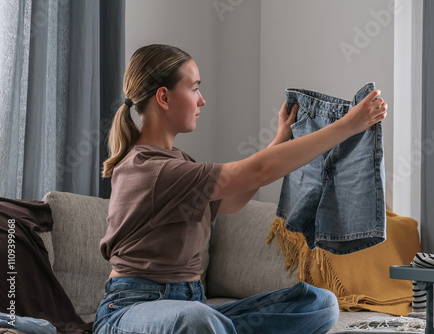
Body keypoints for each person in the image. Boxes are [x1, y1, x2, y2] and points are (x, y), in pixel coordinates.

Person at [93, 44, 387, 334]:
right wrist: (349, 125)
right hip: (132, 311)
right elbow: (258, 170)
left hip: (193, 305)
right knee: (196, 321)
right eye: (194, 88)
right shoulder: (151, 169)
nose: (202, 100)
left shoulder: (176, 162)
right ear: (164, 97)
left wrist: (280, 140)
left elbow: (233, 199)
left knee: (319, 304)